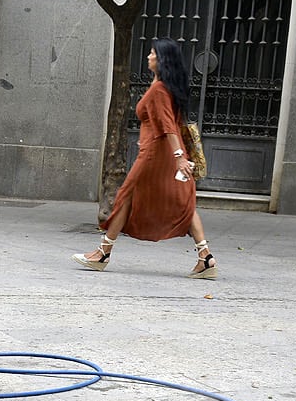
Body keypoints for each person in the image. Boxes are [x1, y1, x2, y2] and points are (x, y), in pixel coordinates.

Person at [71, 38, 216, 280]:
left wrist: (179, 157)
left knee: (127, 195)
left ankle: (103, 253)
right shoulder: (164, 86)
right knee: (183, 201)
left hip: (156, 156)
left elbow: (168, 126)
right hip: (164, 153)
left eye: (152, 53)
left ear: (161, 60)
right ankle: (206, 257)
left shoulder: (159, 90)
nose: (148, 56)